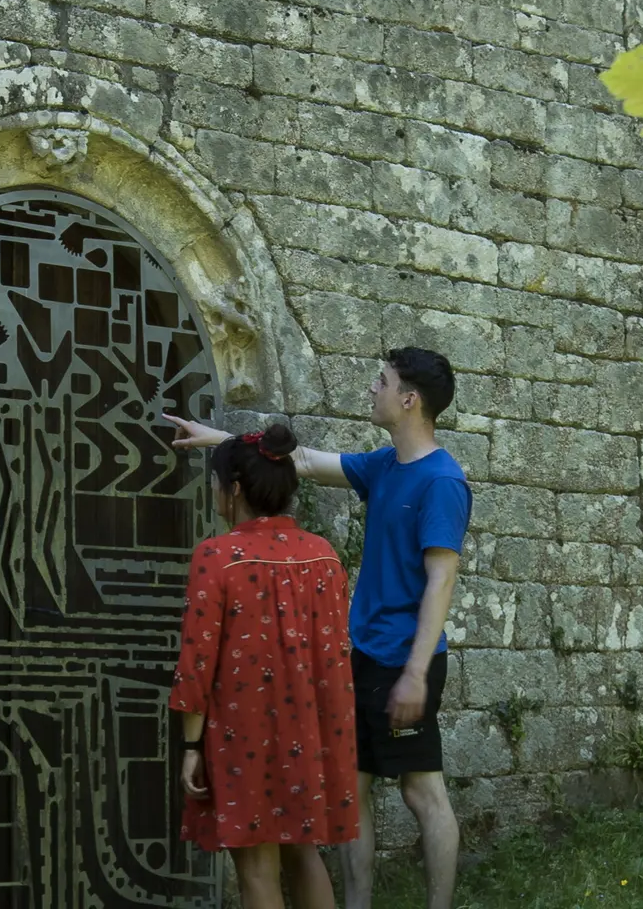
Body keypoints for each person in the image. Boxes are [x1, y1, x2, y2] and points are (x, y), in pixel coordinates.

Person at [168, 346, 471, 909]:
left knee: (421, 790)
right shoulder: (384, 465)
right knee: (351, 792)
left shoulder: (442, 482)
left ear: (409, 399)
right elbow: (299, 461)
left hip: (408, 660)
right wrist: (214, 439)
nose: (372, 389)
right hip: (365, 656)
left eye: (382, 381)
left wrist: (416, 673)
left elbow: (441, 580)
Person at [166, 417, 359, 909]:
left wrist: (191, 744)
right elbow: (336, 650)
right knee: (303, 851)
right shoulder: (324, 555)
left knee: (255, 863)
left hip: (242, 731)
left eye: (215, 485)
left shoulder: (218, 556)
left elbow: (197, 662)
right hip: (314, 729)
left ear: (233, 490)